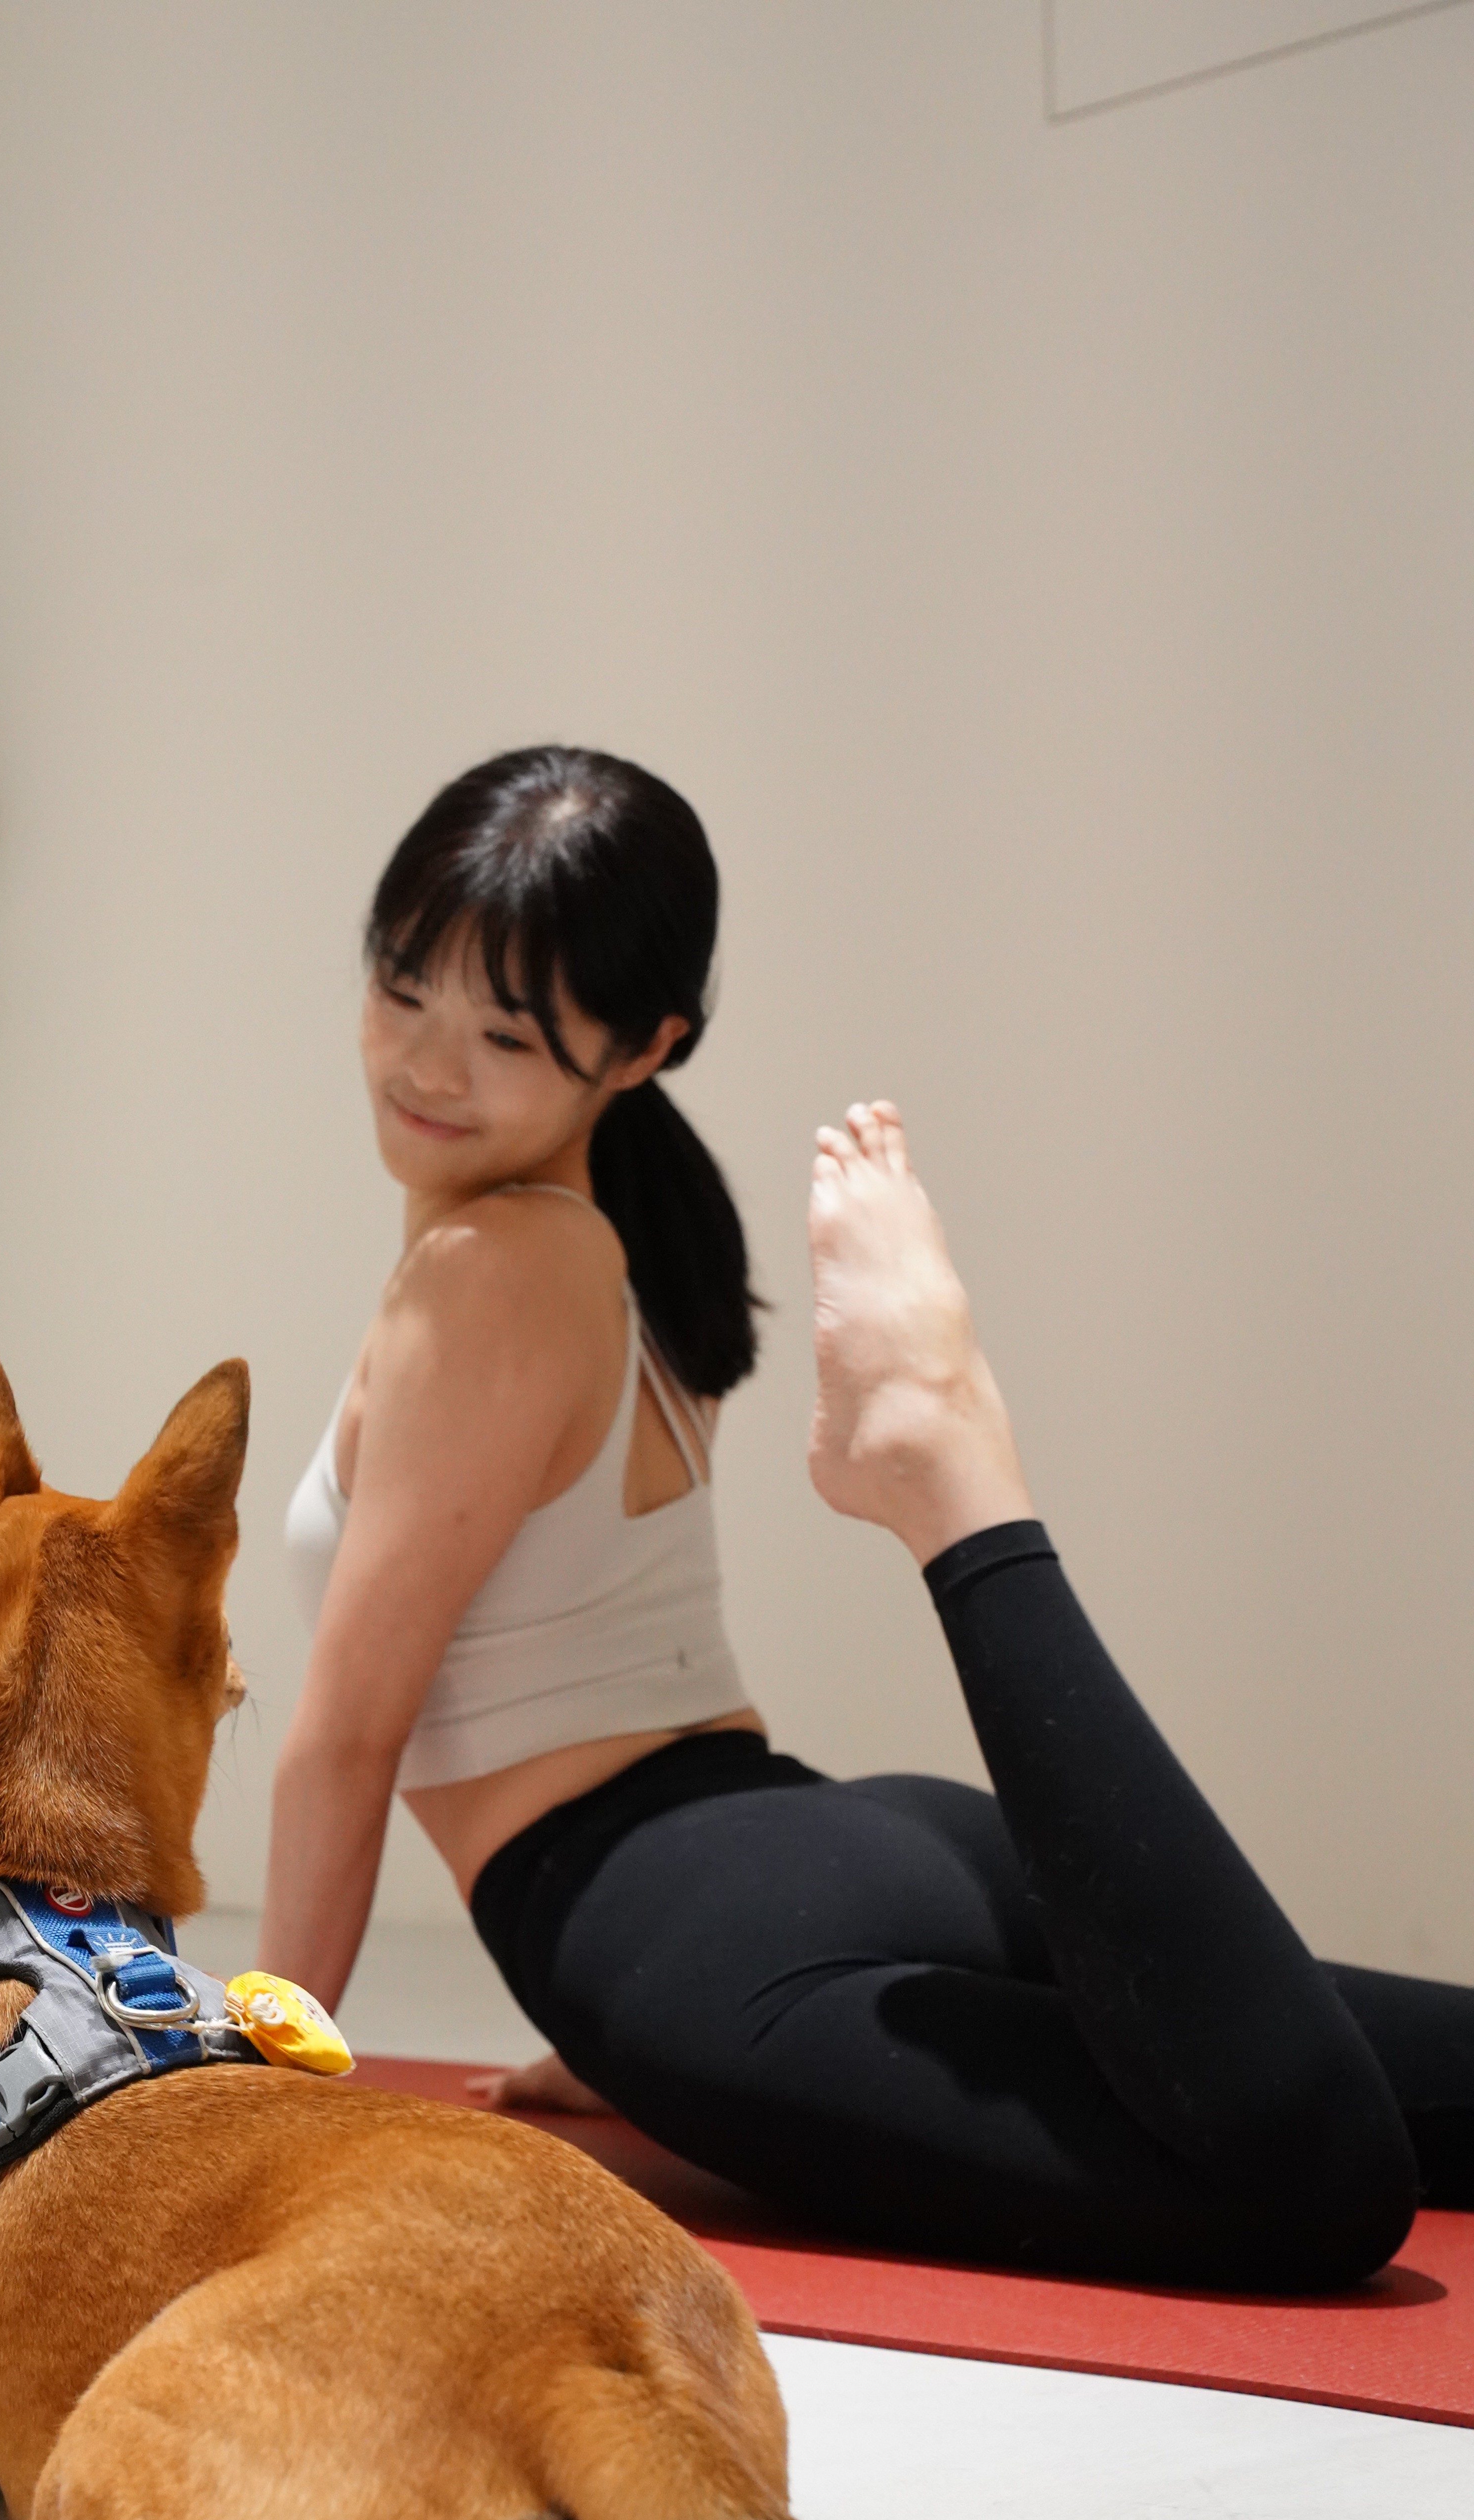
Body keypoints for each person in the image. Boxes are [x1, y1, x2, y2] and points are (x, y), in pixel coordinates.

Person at [266, 744, 1474, 2290]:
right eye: (400, 988)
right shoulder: (618, 1240)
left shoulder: (485, 1272)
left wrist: (253, 2093)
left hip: (689, 1927)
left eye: (503, 1032)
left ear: (644, 1049)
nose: (427, 1065)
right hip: (840, 1838)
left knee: (1311, 2180)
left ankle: (951, 1471)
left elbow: (346, 1737)